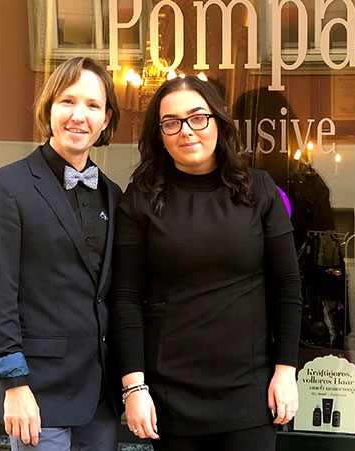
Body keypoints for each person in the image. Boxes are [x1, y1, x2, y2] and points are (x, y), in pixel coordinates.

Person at [111, 75, 303, 451]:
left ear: (218, 122)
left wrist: (285, 370)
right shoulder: (140, 199)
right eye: (171, 122)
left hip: (249, 392)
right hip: (171, 395)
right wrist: (134, 386)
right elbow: (126, 298)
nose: (186, 130)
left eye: (198, 117)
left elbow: (287, 286)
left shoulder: (260, 190)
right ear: (160, 135)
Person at [0, 56, 123, 450]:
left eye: (93, 105)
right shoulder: (3, 187)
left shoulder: (113, 194)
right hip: (38, 397)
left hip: (101, 400)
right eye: (67, 101)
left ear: (105, 119)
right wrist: (13, 384)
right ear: (49, 108)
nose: (79, 115)